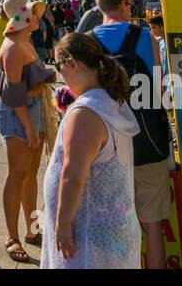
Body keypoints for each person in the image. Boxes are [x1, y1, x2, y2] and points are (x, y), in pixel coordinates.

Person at [43, 32, 141, 269]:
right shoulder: (109, 100)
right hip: (108, 227)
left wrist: (63, 222)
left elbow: (73, 176)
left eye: (58, 65)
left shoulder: (85, 113)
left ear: (71, 64)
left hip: (88, 233)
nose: (59, 73)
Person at [91, 0, 173, 269]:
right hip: (147, 142)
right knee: (152, 225)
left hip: (105, 149)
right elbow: (159, 90)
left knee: (111, 226)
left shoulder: (86, 43)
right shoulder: (144, 37)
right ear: (125, 4)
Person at [0, 0, 56, 265]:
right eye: (33, 14)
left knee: (30, 172)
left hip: (33, 110)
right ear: (23, 18)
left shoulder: (26, 42)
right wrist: (29, 127)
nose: (38, 19)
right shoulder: (13, 47)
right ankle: (12, 236)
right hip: (18, 113)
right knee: (17, 173)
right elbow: (13, 94)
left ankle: (32, 229)